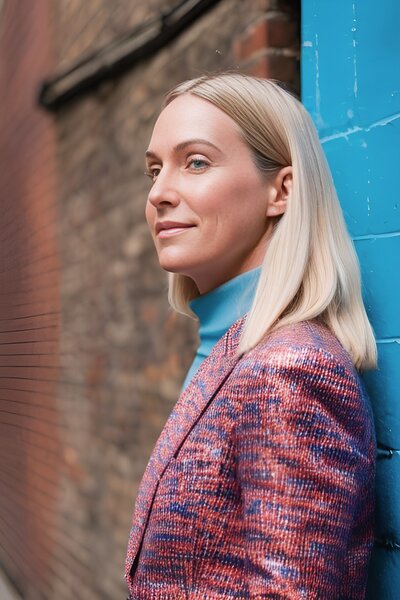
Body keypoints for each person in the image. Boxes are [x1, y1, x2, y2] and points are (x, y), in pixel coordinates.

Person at [125, 72, 377, 599]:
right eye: (154, 169)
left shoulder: (287, 370)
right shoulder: (230, 347)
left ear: (280, 190)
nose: (159, 193)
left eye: (195, 161)